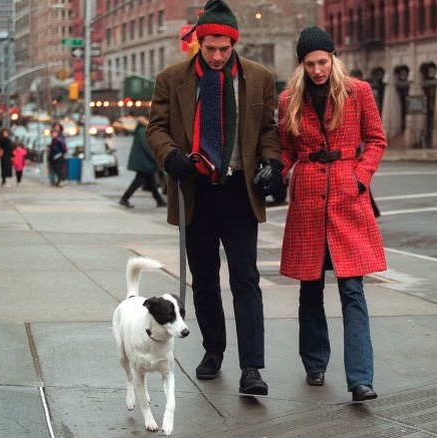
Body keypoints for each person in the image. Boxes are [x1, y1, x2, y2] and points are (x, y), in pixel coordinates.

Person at [146, 0, 283, 396]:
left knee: (246, 280)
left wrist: (271, 163)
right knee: (204, 280)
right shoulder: (173, 78)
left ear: (234, 43)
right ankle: (213, 350)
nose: (218, 56)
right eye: (211, 49)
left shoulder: (258, 77)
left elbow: (269, 131)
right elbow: (155, 128)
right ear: (199, 43)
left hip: (240, 192)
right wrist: (170, 155)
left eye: (225, 48)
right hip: (196, 192)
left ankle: (252, 367)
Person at [277, 26, 387, 402]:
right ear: (301, 65)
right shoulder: (290, 98)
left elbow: (376, 140)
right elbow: (287, 150)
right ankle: (315, 364)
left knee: (352, 290)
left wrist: (360, 178)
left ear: (333, 58)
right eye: (310, 64)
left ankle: (360, 379)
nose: (318, 70)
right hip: (308, 198)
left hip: (346, 195)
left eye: (323, 61)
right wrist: (274, 171)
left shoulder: (358, 92)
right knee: (310, 288)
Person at [120, 117, 166, 208]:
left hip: (143, 161)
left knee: (151, 182)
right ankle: (124, 198)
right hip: (144, 161)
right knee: (139, 181)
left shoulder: (141, 130)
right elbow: (147, 146)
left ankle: (159, 201)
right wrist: (155, 158)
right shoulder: (143, 130)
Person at [47, 123, 67, 187]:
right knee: (55, 168)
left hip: (58, 155)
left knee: (57, 168)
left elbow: (62, 147)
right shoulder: (54, 140)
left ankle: (62, 180)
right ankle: (57, 181)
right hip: (54, 156)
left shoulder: (59, 139)